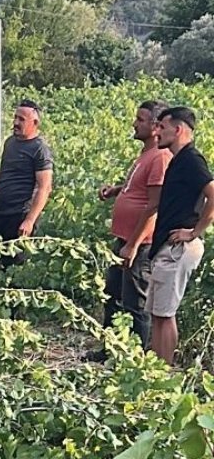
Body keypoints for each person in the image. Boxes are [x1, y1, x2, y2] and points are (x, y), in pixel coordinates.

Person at [97, 101, 171, 349]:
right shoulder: (146, 155)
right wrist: (117, 190)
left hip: (140, 244)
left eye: (140, 120)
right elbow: (140, 190)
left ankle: (135, 358)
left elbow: (154, 206)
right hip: (126, 240)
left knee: (135, 304)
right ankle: (110, 350)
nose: (134, 123)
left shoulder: (160, 157)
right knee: (112, 295)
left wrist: (133, 244)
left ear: (155, 126)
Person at [147, 106, 213, 364]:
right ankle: (153, 370)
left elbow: (213, 194)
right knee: (157, 312)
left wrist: (194, 232)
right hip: (167, 246)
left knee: (166, 313)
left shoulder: (192, 160)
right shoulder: (178, 160)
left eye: (162, 127)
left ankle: (164, 374)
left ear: (178, 129)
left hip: (178, 248)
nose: (157, 132)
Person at [0, 99, 54, 268]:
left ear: (35, 123)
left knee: (12, 265)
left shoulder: (40, 150)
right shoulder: (10, 143)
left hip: (19, 216)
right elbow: (0, 175)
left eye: (21, 119)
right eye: (15, 118)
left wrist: (29, 220)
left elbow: (45, 188)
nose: (15, 123)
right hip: (0, 213)